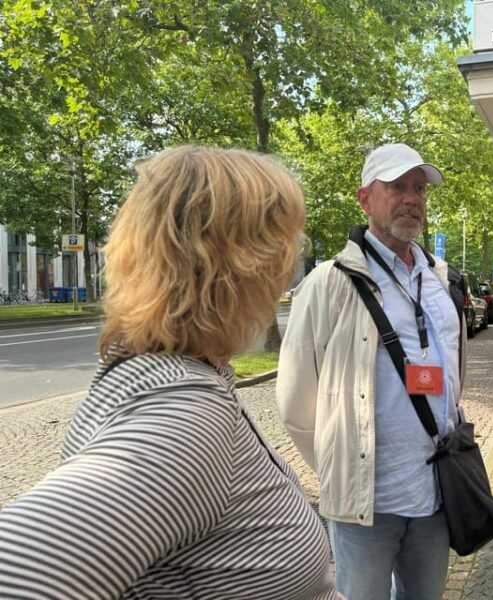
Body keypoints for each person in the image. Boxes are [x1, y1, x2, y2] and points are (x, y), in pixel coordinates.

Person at [0, 146, 337, 599]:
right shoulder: (187, 411)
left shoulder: (159, 373)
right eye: (285, 240)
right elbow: (20, 573)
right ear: (243, 263)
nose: (291, 263)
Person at [277, 143, 467, 600]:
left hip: (436, 495)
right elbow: (294, 404)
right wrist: (340, 469)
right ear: (365, 199)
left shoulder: (442, 280)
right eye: (397, 186)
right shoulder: (329, 283)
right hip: (367, 505)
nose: (412, 198)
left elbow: (455, 373)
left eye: (419, 188)